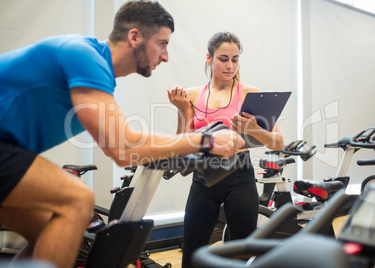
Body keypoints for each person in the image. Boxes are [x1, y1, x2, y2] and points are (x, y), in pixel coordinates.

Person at [0, 2, 244, 268]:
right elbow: (124, 147)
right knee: (77, 199)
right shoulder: (84, 56)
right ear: (135, 37)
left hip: (10, 147)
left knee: (46, 229)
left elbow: (124, 143)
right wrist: (206, 140)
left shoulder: (95, 69)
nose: (166, 56)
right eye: (162, 43)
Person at [167, 30, 285, 268]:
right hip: (204, 178)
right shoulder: (192, 95)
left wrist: (253, 129)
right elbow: (184, 144)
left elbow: (277, 143)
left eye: (235, 59)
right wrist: (182, 110)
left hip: (239, 177)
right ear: (209, 58)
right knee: (192, 255)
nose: (230, 65)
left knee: (241, 255)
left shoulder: (249, 93)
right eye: (223, 59)